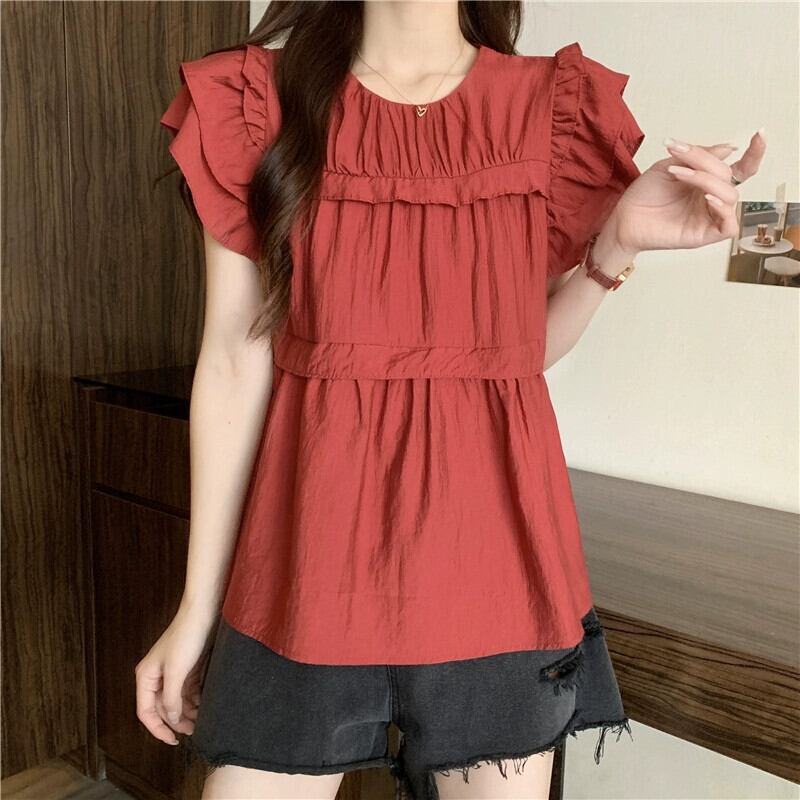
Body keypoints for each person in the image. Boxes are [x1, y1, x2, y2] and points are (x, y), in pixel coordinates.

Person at [136, 2, 766, 798]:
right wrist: (196, 609)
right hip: (307, 567)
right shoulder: (257, 103)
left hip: (495, 570)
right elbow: (235, 359)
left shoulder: (551, 111)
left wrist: (615, 247)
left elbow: (508, 360)